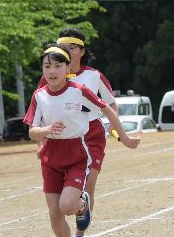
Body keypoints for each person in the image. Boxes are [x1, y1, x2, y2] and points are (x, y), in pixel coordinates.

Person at [24, 45, 139, 237]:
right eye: (47, 66)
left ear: (68, 69)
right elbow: (32, 132)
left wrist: (124, 138)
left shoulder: (79, 90)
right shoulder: (39, 95)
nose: (52, 71)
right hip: (51, 155)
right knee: (54, 214)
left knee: (67, 207)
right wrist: (46, 130)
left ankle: (82, 204)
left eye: (58, 66)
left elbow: (108, 108)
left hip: (77, 153)